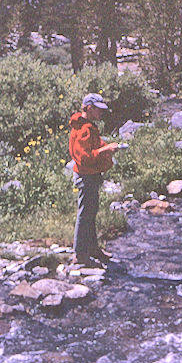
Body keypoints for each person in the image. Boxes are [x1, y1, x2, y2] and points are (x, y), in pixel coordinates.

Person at [68, 93, 118, 266]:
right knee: (85, 215)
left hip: (91, 175)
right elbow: (85, 158)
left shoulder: (88, 126)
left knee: (90, 212)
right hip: (86, 176)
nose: (101, 113)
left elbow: (95, 145)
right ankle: (80, 254)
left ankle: (92, 249)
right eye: (99, 109)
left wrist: (107, 146)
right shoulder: (83, 129)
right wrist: (106, 151)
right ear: (90, 108)